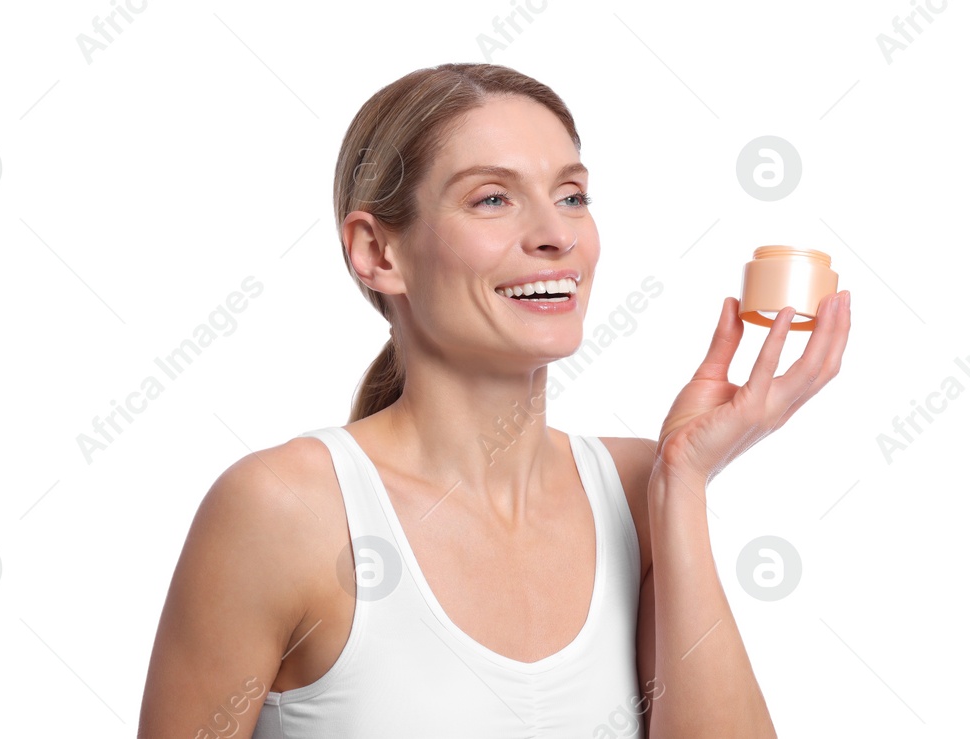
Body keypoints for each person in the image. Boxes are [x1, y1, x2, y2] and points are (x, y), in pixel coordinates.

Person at [139, 63, 849, 738]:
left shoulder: (641, 489)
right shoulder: (283, 509)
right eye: (492, 199)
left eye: (572, 196)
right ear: (378, 252)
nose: (557, 235)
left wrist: (683, 481)